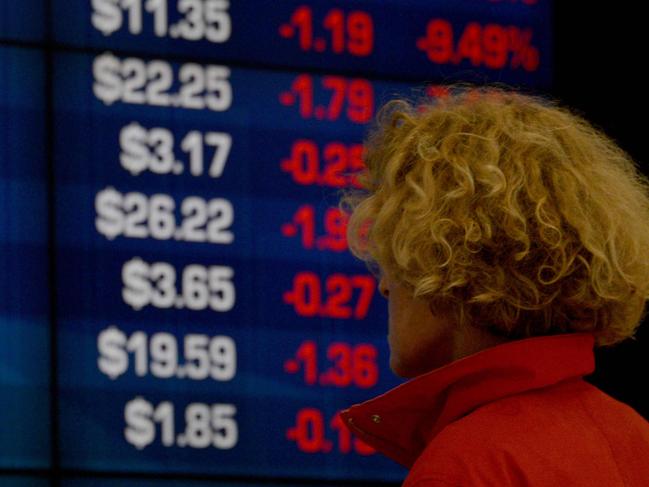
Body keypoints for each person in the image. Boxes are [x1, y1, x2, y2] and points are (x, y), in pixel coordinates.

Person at [339, 86, 649, 486]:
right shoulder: (636, 438)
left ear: (454, 265)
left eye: (397, 257)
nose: (384, 286)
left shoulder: (465, 466)